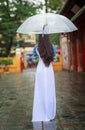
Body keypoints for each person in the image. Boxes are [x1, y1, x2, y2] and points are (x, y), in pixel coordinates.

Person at [32, 34, 57, 122]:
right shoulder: (52, 47)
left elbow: (34, 59)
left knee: (40, 91)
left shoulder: (36, 47)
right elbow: (55, 59)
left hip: (40, 70)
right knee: (49, 90)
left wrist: (38, 57)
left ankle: (40, 111)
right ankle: (49, 111)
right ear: (48, 36)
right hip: (49, 70)